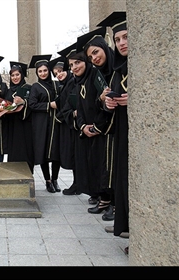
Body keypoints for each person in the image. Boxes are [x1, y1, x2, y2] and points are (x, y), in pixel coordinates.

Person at [70, 28, 114, 214]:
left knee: (105, 166)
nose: (75, 67)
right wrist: (82, 125)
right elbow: (80, 107)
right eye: (71, 65)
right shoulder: (82, 82)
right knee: (95, 164)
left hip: (105, 129)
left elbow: (101, 104)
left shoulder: (99, 76)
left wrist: (96, 126)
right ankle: (102, 198)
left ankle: (107, 200)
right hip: (90, 130)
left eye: (79, 62)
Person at [97, 11, 130, 251]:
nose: (122, 43)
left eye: (126, 37)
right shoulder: (118, 71)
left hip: (142, 137)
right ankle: (128, 228)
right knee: (124, 181)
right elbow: (111, 97)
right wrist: (108, 103)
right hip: (122, 134)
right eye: (117, 39)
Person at [28, 54, 61, 193]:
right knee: (44, 152)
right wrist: (49, 105)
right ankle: (47, 180)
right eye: (40, 71)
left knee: (55, 152)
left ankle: (55, 179)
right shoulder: (35, 86)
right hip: (42, 124)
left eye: (45, 70)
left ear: (49, 71)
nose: (42, 73)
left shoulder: (56, 84)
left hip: (56, 122)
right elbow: (32, 104)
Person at [49, 54, 78, 195]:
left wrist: (60, 116)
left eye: (60, 71)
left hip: (70, 123)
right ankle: (76, 183)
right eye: (56, 73)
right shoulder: (64, 84)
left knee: (74, 153)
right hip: (66, 121)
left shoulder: (72, 82)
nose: (59, 75)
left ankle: (77, 184)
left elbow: (68, 103)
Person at [4, 61, 34, 173]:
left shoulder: (28, 88)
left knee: (26, 153)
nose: (15, 77)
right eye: (12, 75)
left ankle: (28, 178)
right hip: (12, 127)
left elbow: (32, 105)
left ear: (22, 75)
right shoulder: (8, 91)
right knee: (13, 154)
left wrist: (23, 103)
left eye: (17, 74)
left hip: (25, 127)